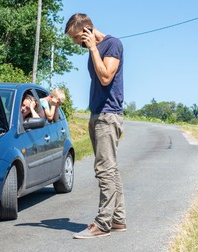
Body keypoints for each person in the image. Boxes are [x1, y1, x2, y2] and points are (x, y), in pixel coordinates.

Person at [66, 13, 126, 239]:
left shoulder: (112, 44)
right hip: (98, 114)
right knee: (111, 169)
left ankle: (103, 224)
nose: (75, 43)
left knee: (104, 170)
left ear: (87, 29)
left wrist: (93, 49)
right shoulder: (94, 51)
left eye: (76, 37)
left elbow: (105, 78)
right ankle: (118, 219)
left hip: (108, 116)